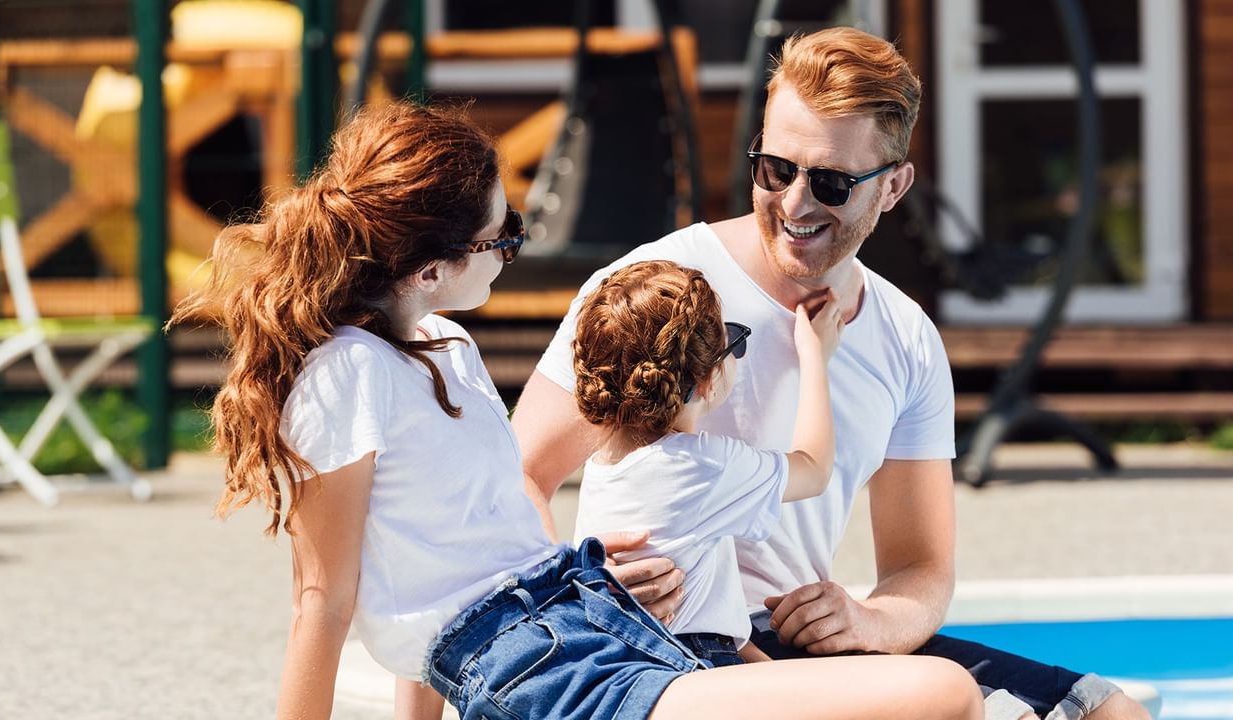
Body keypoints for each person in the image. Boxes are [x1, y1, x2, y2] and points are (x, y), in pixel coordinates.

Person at [171, 102, 983, 720]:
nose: (513, 249)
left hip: (578, 622)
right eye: (503, 237)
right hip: (536, 668)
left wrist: (592, 574)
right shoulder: (347, 377)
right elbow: (326, 600)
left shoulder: (447, 346)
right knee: (940, 694)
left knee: (929, 698)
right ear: (431, 270)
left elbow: (461, 553)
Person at [511, 27, 1149, 720]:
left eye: (831, 183)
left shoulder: (906, 338)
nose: (794, 204)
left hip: (796, 650)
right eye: (775, 169)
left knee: (1111, 712)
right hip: (662, 653)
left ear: (894, 187)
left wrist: (868, 620)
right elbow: (516, 478)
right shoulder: (650, 293)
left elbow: (920, 569)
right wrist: (584, 592)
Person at [571, 259, 843, 668]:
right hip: (693, 666)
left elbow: (710, 618)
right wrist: (815, 357)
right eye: (732, 343)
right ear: (707, 379)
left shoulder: (602, 468)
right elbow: (815, 469)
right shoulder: (703, 465)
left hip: (641, 663)